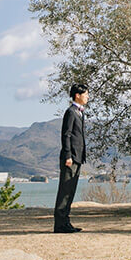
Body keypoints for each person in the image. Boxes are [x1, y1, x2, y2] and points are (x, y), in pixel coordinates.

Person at [54, 83, 89, 233]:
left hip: (78, 157)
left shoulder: (79, 112)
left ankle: (65, 222)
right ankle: (60, 225)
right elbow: (66, 135)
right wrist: (68, 155)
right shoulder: (70, 112)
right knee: (65, 191)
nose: (88, 97)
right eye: (86, 94)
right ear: (77, 95)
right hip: (70, 158)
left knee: (70, 191)